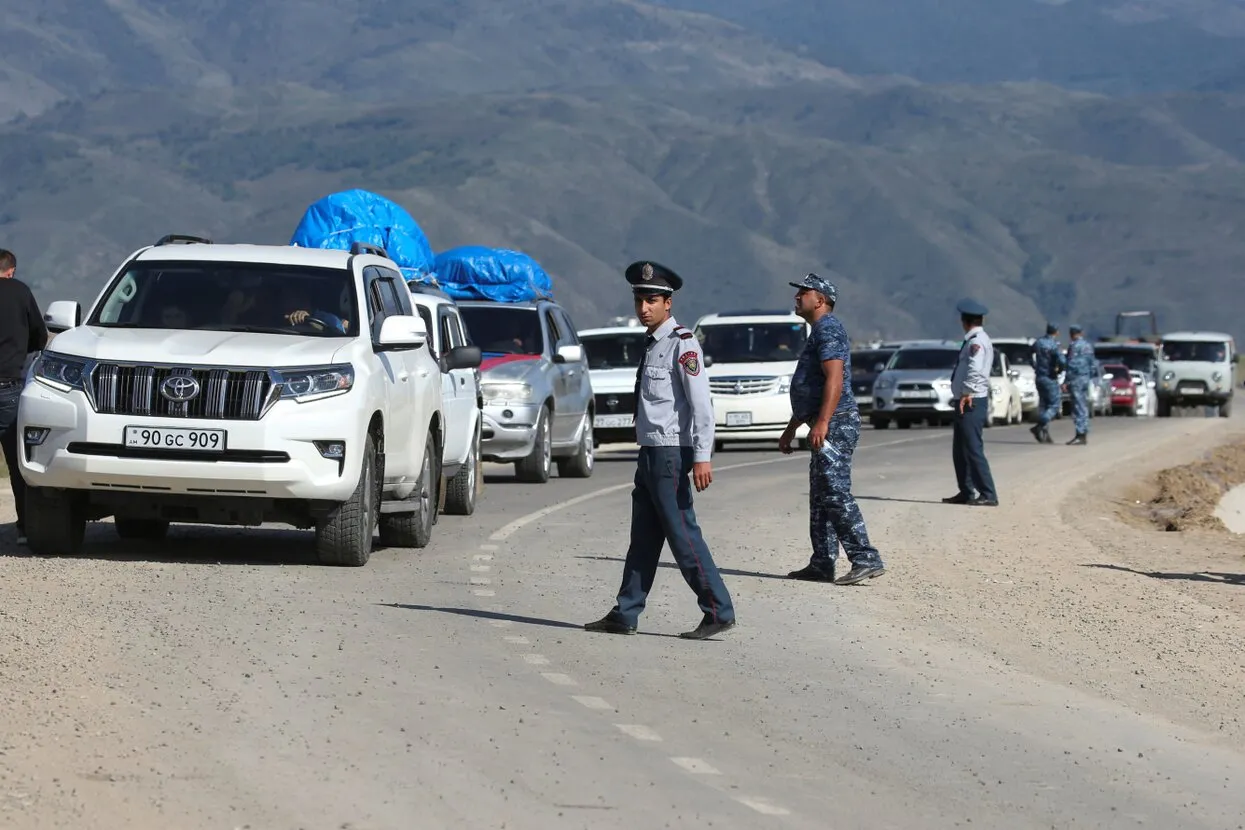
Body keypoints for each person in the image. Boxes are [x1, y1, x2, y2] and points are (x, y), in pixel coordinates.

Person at [584, 260, 736, 640]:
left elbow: (701, 404)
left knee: (683, 535)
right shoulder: (654, 343)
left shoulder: (682, 344)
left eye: (652, 300)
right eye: (639, 300)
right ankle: (626, 611)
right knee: (644, 538)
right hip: (650, 450)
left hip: (670, 452)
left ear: (668, 303)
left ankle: (718, 609)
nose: (644, 308)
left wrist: (702, 456)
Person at [780, 274, 885, 585]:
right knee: (821, 496)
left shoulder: (829, 329)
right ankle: (823, 562)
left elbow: (834, 380)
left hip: (836, 422)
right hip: (823, 421)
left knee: (835, 493)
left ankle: (866, 557)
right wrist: (792, 428)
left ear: (821, 300)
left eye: (804, 293)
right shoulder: (818, 332)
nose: (797, 297)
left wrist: (824, 422)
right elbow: (810, 389)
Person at [0, 249, 49, 544]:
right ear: (12, 271)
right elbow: (40, 335)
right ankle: (24, 528)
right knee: (18, 463)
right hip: (8, 385)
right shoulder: (20, 292)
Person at [943, 298, 998, 507]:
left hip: (971, 399)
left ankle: (988, 493)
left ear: (964, 321)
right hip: (964, 399)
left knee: (973, 448)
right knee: (960, 449)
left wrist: (967, 391)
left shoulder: (976, 342)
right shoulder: (975, 338)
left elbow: (975, 369)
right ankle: (966, 491)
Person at [1030, 323, 1065, 444]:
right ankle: (1040, 425)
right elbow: (1062, 361)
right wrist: (1059, 370)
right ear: (1056, 332)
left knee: (1043, 405)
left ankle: (1044, 433)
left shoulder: (1038, 342)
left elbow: (1030, 353)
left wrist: (1035, 366)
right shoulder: (1054, 345)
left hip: (1039, 376)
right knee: (1054, 406)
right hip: (1050, 377)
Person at [1063, 324, 1095, 445]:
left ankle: (1080, 434)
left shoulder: (1074, 346)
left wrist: (1066, 381)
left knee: (1077, 407)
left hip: (1076, 379)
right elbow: (1092, 364)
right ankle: (1084, 432)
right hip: (1085, 378)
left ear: (1072, 334)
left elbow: (1070, 365)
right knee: (1083, 406)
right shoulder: (1088, 346)